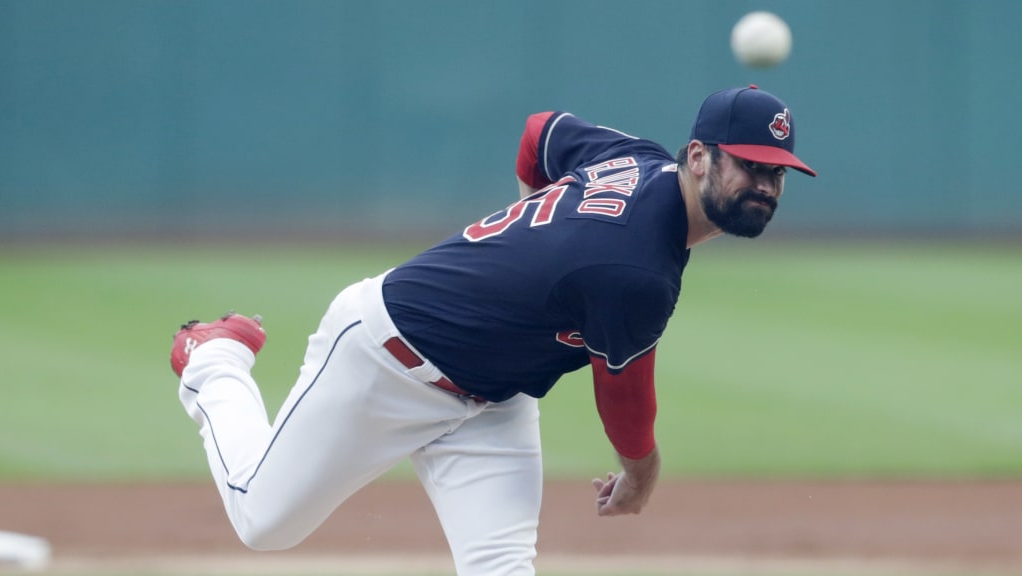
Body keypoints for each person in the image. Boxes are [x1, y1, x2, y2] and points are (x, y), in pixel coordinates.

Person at [169, 84, 816, 575]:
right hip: (386, 358)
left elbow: (541, 133)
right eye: (749, 166)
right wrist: (642, 477)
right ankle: (213, 360)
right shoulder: (635, 270)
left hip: (492, 402)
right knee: (263, 522)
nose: (765, 185)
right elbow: (625, 405)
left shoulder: (635, 160)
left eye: (776, 172)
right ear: (700, 157)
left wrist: (534, 230)